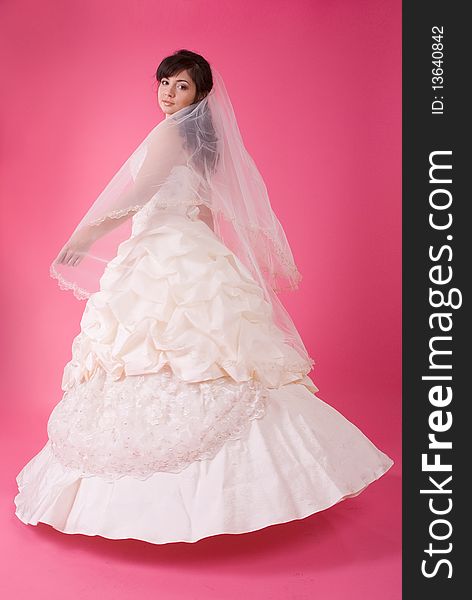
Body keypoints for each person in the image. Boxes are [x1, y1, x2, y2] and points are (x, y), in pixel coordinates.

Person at [13, 49, 393, 545]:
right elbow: (204, 209)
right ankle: (266, 486)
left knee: (157, 351)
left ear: (201, 95)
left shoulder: (172, 133)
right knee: (195, 355)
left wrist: (85, 236)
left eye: (182, 87)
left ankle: (172, 501)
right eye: (164, 82)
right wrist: (210, 256)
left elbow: (140, 192)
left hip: (165, 254)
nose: (168, 93)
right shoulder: (201, 141)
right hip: (178, 248)